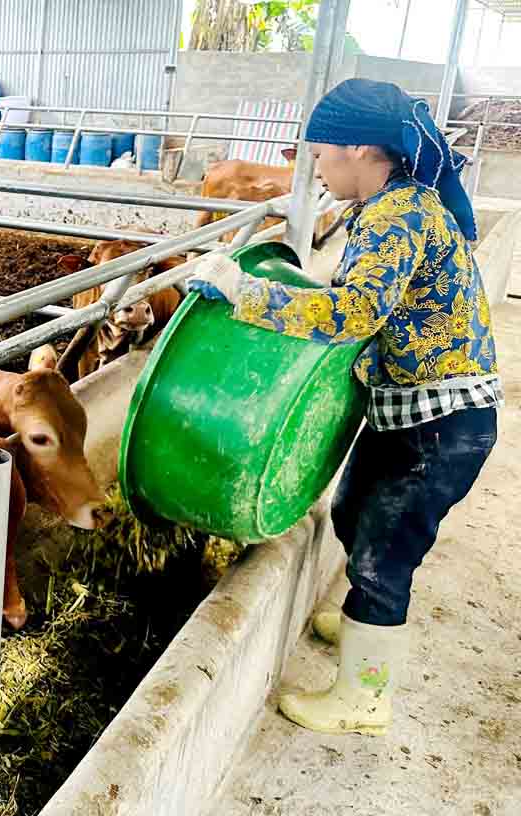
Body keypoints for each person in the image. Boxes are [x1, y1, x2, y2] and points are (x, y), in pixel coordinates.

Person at [188, 78, 501, 737]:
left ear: (359, 149)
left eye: (320, 154)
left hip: (441, 424)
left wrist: (246, 292)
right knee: (353, 509)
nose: (316, 169)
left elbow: (354, 313)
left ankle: (364, 697)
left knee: (385, 552)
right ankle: (366, 620)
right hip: (407, 410)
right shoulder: (390, 203)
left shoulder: (397, 216)